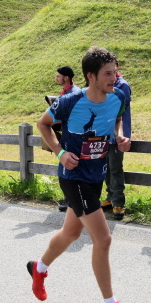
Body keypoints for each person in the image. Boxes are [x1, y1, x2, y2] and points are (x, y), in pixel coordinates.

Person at [28, 46, 140, 303]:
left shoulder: (118, 97)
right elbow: (43, 124)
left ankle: (39, 268)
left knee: (71, 232)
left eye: (115, 72)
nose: (114, 78)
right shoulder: (70, 101)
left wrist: (120, 137)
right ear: (91, 76)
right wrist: (60, 153)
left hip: (96, 175)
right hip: (73, 175)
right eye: (108, 73)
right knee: (103, 239)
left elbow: (116, 121)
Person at [101, 61, 132, 220]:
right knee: (106, 167)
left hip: (118, 135)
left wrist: (121, 134)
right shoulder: (104, 84)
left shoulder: (122, 85)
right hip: (105, 133)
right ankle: (110, 197)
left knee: (115, 168)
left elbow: (121, 111)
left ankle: (118, 202)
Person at [54, 66, 82, 212]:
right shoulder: (68, 92)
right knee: (67, 168)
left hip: (73, 137)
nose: (56, 79)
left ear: (66, 78)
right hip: (68, 135)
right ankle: (70, 199)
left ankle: (73, 201)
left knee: (71, 168)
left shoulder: (73, 93)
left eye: (58, 76)